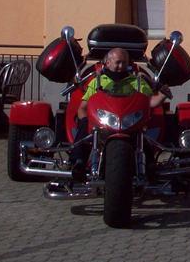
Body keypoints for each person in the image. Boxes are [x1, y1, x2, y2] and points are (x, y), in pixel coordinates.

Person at [70, 47, 168, 181]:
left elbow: (150, 102)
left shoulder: (137, 82)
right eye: (117, 62)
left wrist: (163, 95)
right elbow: (83, 107)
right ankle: (78, 163)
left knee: (141, 136)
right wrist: (85, 121)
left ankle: (149, 165)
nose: (121, 66)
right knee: (86, 132)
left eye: (124, 62)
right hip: (103, 124)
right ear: (108, 62)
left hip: (129, 123)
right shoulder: (97, 81)